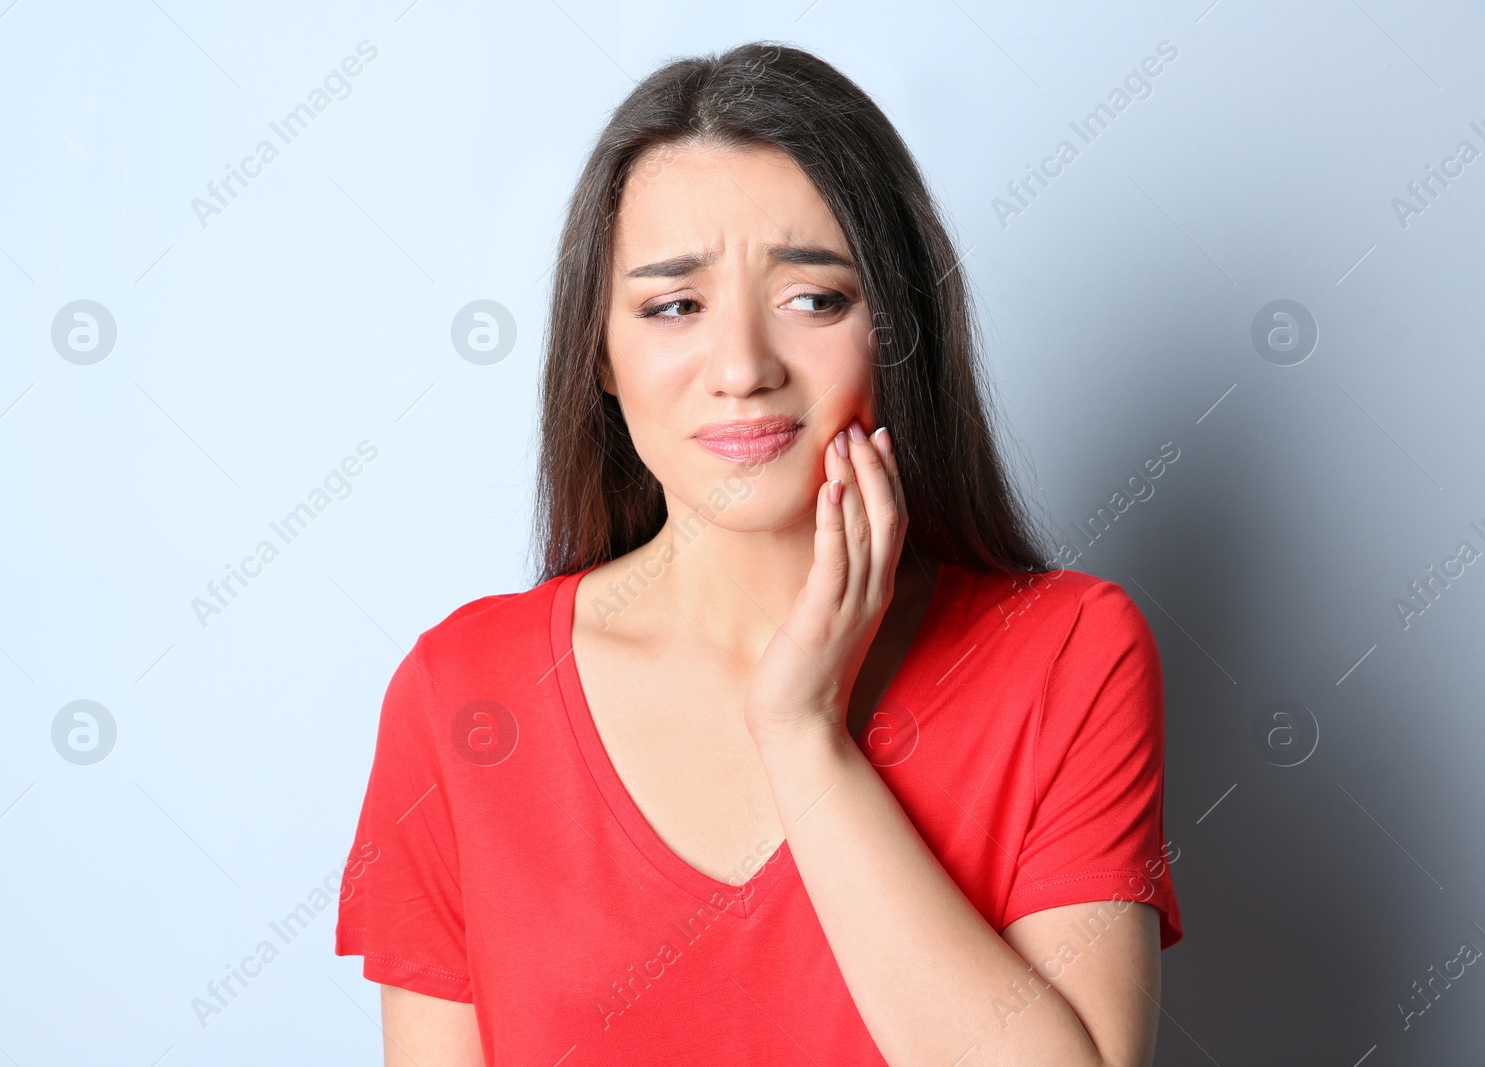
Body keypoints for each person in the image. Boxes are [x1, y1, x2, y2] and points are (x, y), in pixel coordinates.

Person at [335, 40, 1181, 1066]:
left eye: (813, 298)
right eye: (673, 305)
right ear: (600, 353)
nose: (741, 367)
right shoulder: (464, 695)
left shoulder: (1067, 653)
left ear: (897, 328)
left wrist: (801, 733)